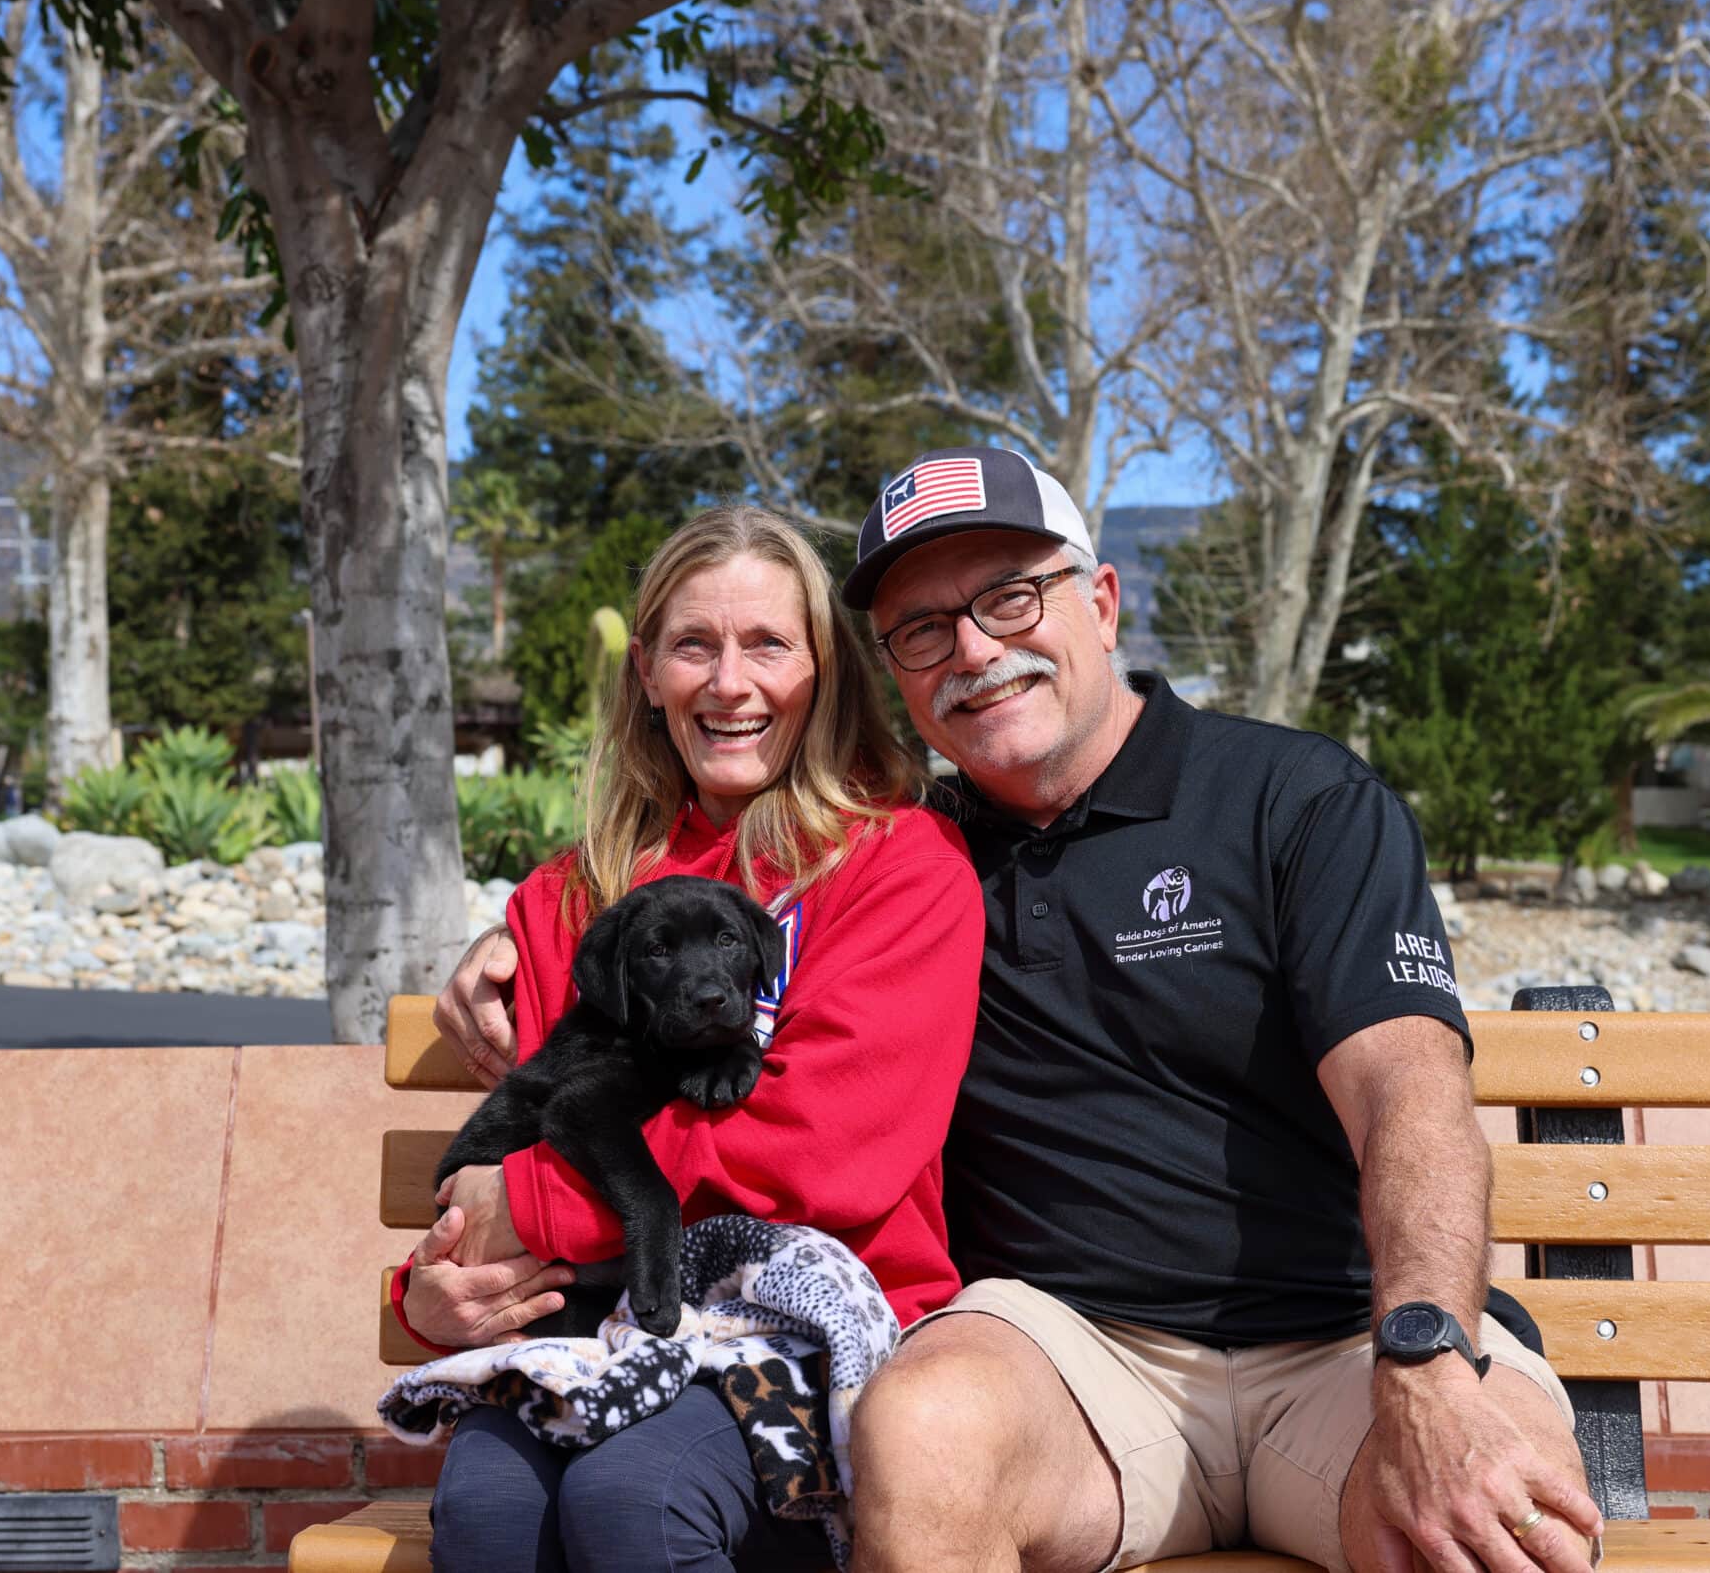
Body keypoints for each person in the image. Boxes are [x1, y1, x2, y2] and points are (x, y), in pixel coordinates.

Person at [440, 451, 1601, 1573]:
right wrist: (521, 938)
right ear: (890, 669)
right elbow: (668, 914)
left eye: (1010, 597)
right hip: (1072, 1355)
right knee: (921, 1432)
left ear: (1100, 602)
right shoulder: (925, 846)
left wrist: (1425, 1353)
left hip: (1349, 1338)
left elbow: (1410, 1090)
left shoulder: (1291, 798)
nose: (976, 651)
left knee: (1496, 1521)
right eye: (925, 631)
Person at [399, 505, 984, 1573]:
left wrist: (524, 1206)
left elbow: (824, 1149)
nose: (729, 683)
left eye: (767, 643)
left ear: (824, 674)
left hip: (811, 1326)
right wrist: (434, 1288)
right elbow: (539, 1117)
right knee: (487, 1512)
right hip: (596, 1319)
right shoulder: (569, 899)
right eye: (692, 646)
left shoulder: (897, 863)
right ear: (646, 676)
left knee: (636, 1500)